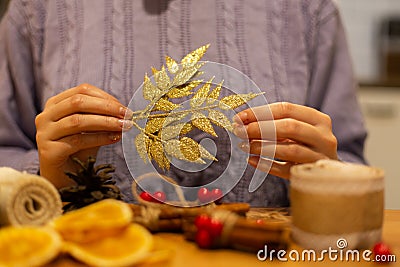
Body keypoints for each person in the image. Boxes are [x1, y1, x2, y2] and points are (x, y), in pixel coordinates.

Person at [0, 0, 367, 206]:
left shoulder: (305, 10)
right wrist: (46, 176)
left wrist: (328, 177)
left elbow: (350, 162)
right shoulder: (40, 9)